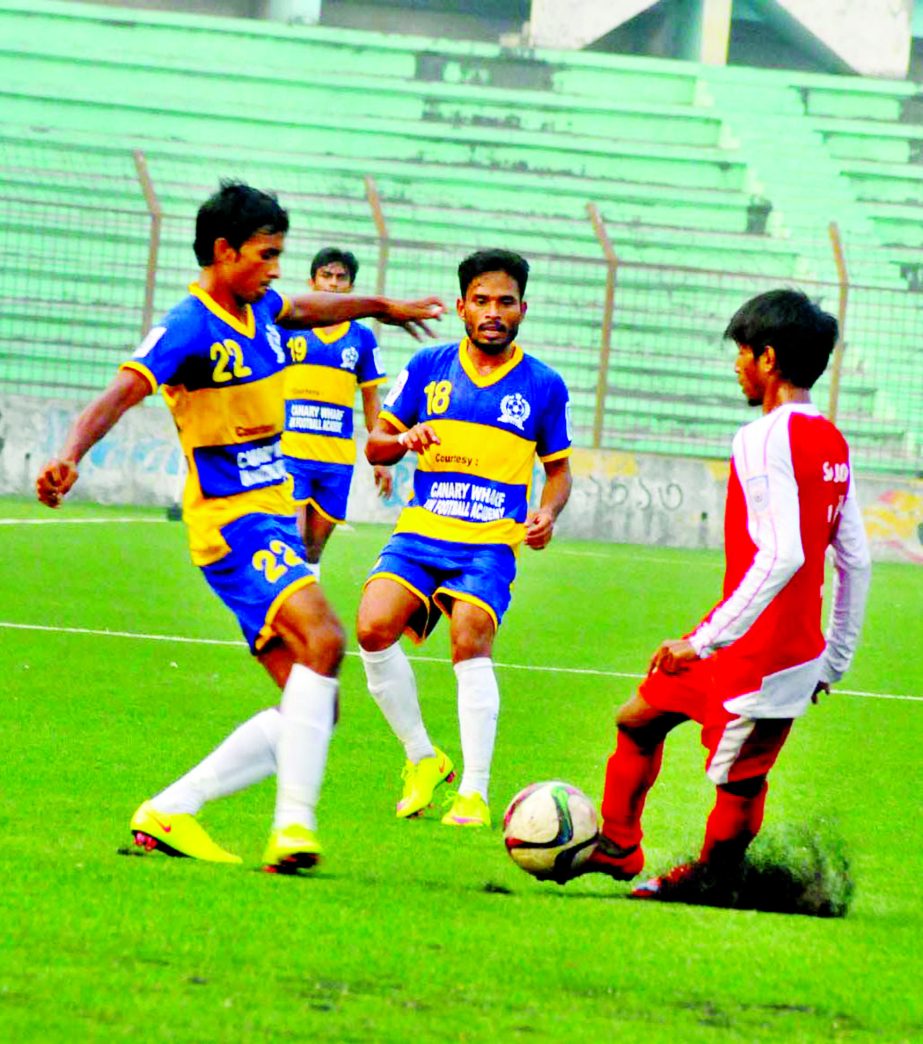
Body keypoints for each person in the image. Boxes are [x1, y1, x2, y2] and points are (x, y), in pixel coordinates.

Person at [35, 181, 443, 872]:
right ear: (223, 252)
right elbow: (122, 390)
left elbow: (309, 307)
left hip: (271, 516)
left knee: (312, 702)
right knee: (326, 638)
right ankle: (292, 829)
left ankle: (169, 812)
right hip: (231, 526)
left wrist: (379, 305)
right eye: (266, 254)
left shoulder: (262, 309)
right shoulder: (190, 325)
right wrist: (70, 455)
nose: (276, 269)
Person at [566, 288, 871, 897]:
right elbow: (855, 559)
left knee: (738, 783)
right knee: (638, 720)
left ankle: (712, 879)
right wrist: (833, 658)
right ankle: (620, 844)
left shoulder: (761, 438)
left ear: (768, 357)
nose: (736, 364)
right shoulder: (831, 439)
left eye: (741, 352)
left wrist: (701, 642)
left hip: (762, 655)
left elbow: (783, 554)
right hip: (754, 640)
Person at [356, 248, 573, 829]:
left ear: (523, 308)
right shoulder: (428, 365)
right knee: (373, 627)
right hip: (421, 530)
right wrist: (404, 442)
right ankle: (423, 758)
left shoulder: (545, 385)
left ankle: (473, 792)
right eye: (481, 301)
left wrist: (547, 512)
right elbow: (375, 446)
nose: (493, 312)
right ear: (460, 306)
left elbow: (558, 471)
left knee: (470, 638)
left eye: (505, 301)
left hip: (489, 541)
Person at [281, 247, 393, 577]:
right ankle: (281, 619)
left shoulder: (361, 338)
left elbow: (371, 400)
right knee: (294, 538)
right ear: (312, 282)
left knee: (314, 547)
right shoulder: (290, 327)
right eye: (326, 276)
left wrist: (381, 455)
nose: (333, 283)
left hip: (335, 458)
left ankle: (302, 605)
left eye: (341, 277)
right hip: (291, 452)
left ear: (350, 287)